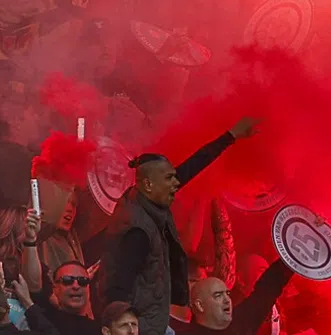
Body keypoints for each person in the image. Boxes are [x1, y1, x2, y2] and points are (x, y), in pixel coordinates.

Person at [99, 117, 259, 335]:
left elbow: (189, 168)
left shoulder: (148, 198)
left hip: (155, 322)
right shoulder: (137, 230)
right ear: (148, 184)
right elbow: (118, 287)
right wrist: (127, 328)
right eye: (169, 179)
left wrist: (229, 136)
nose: (176, 183)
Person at [170, 272, 292, 335]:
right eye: (218, 295)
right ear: (200, 305)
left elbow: (267, 290)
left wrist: (292, 256)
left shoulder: (240, 325)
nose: (227, 300)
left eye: (227, 294)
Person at [25, 263, 97, 335]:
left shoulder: (100, 328)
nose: (76, 286)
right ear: (54, 288)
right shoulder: (42, 317)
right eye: (67, 280)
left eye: (83, 281)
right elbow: (34, 286)